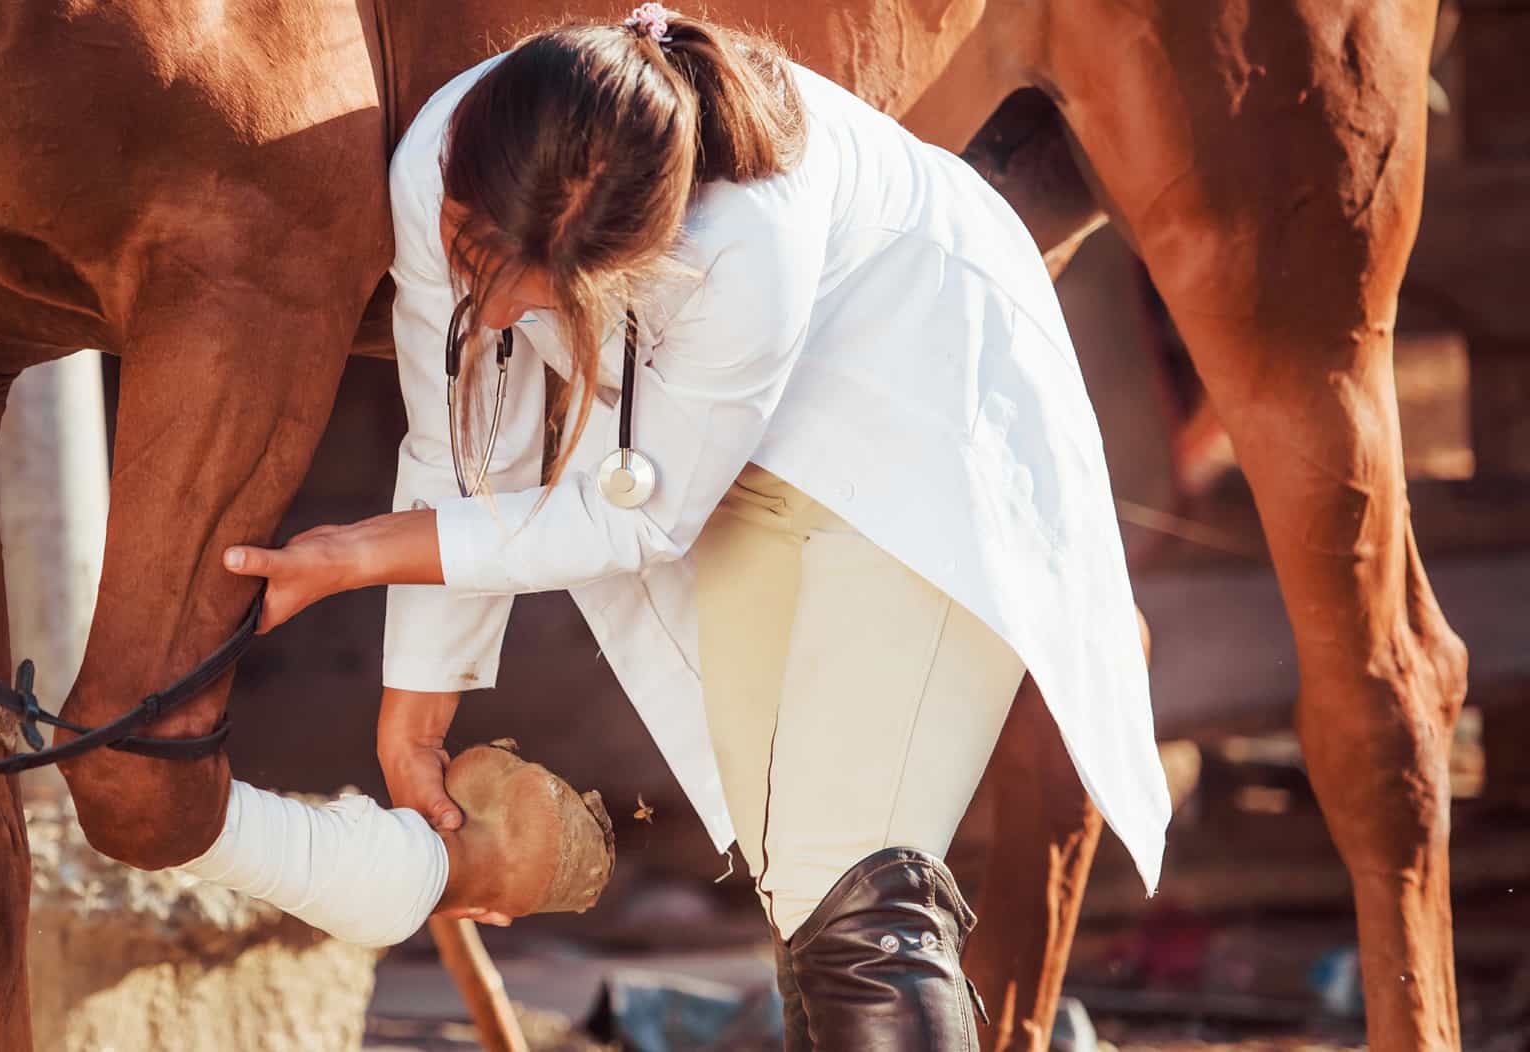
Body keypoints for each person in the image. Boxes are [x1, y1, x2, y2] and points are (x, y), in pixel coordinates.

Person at [223, 5, 1171, 1048]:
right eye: (471, 256)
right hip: (750, 472)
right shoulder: (434, 163)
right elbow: (464, 451)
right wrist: (410, 728)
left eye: (545, 295)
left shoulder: (742, 240)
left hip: (923, 434)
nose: (493, 315)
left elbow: (633, 521)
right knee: (797, 886)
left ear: (643, 248)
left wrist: (353, 552)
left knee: (853, 884)